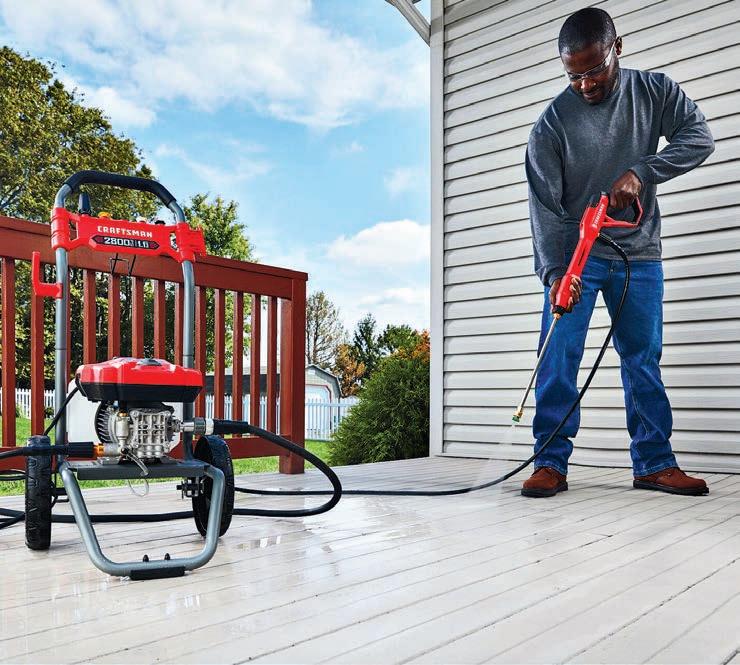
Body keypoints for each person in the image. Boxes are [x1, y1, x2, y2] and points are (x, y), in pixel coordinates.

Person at [522, 7, 714, 498]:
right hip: (577, 258)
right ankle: (550, 462)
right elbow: (545, 210)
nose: (585, 84)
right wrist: (557, 275)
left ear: (617, 48)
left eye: (594, 70)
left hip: (640, 253)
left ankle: (654, 462)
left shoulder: (654, 91)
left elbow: (700, 138)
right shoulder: (550, 127)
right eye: (573, 75)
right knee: (559, 357)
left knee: (642, 357)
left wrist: (642, 171)